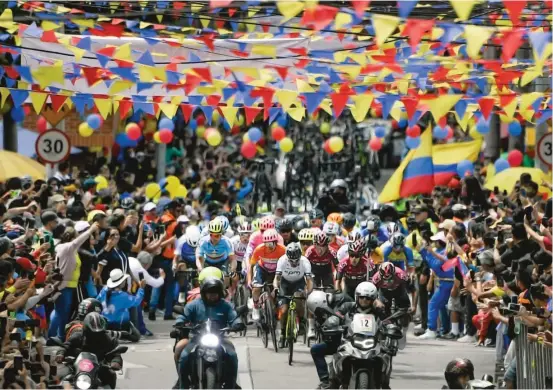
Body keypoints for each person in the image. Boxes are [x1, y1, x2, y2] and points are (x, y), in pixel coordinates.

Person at [310, 282, 386, 389]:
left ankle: (384, 384)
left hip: (371, 344)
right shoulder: (348, 306)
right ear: (357, 296)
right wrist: (330, 323)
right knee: (317, 349)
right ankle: (326, 381)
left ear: (373, 299)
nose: (364, 300)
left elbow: (387, 321)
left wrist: (390, 328)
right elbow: (337, 316)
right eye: (362, 297)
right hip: (347, 341)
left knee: (385, 356)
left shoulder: (378, 311)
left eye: (368, 298)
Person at [176, 277, 245, 389]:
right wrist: (179, 322)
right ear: (203, 293)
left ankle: (231, 385)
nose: (212, 296)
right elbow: (183, 315)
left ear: (220, 293)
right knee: (184, 357)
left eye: (215, 293)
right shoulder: (194, 305)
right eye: (209, 293)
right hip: (197, 339)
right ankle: (183, 385)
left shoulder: (226, 305)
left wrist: (238, 324)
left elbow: (234, 317)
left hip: (219, 339)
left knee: (232, 356)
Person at [48, 222, 100, 339]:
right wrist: (90, 230)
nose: (78, 240)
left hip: (70, 286)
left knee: (63, 313)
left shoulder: (72, 250)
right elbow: (76, 242)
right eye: (76, 238)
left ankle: (59, 336)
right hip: (64, 286)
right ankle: (55, 337)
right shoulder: (67, 248)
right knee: (61, 313)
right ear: (72, 239)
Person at [56, 312, 123, 389]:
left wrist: (116, 362)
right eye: (92, 333)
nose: (96, 336)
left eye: (99, 333)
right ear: (86, 329)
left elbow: (116, 354)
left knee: (111, 374)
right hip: (75, 367)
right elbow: (65, 346)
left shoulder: (108, 340)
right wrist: (60, 354)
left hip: (99, 368)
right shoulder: (78, 337)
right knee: (59, 376)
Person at [274, 242, 313, 348]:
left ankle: (301, 322)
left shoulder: (305, 261)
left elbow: (309, 280)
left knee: (299, 298)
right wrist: (276, 288)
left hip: (298, 283)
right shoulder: (282, 260)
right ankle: (282, 334)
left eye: (296, 260)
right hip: (285, 284)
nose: (294, 263)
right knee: (284, 309)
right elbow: (276, 278)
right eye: (292, 261)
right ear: (287, 257)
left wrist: (308, 292)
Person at [97, 268, 146, 342]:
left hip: (105, 323)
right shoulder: (123, 296)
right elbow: (136, 301)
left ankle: (110, 334)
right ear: (121, 282)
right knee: (136, 336)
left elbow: (97, 300)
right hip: (120, 325)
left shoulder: (104, 290)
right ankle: (120, 334)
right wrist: (141, 288)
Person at [249, 229, 286, 321]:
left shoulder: (283, 250)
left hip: (276, 271)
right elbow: (252, 265)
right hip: (262, 269)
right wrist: (249, 279)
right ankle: (256, 306)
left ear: (276, 242)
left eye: (271, 244)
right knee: (256, 288)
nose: (268, 246)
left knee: (279, 290)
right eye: (266, 243)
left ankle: (276, 307)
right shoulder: (259, 249)